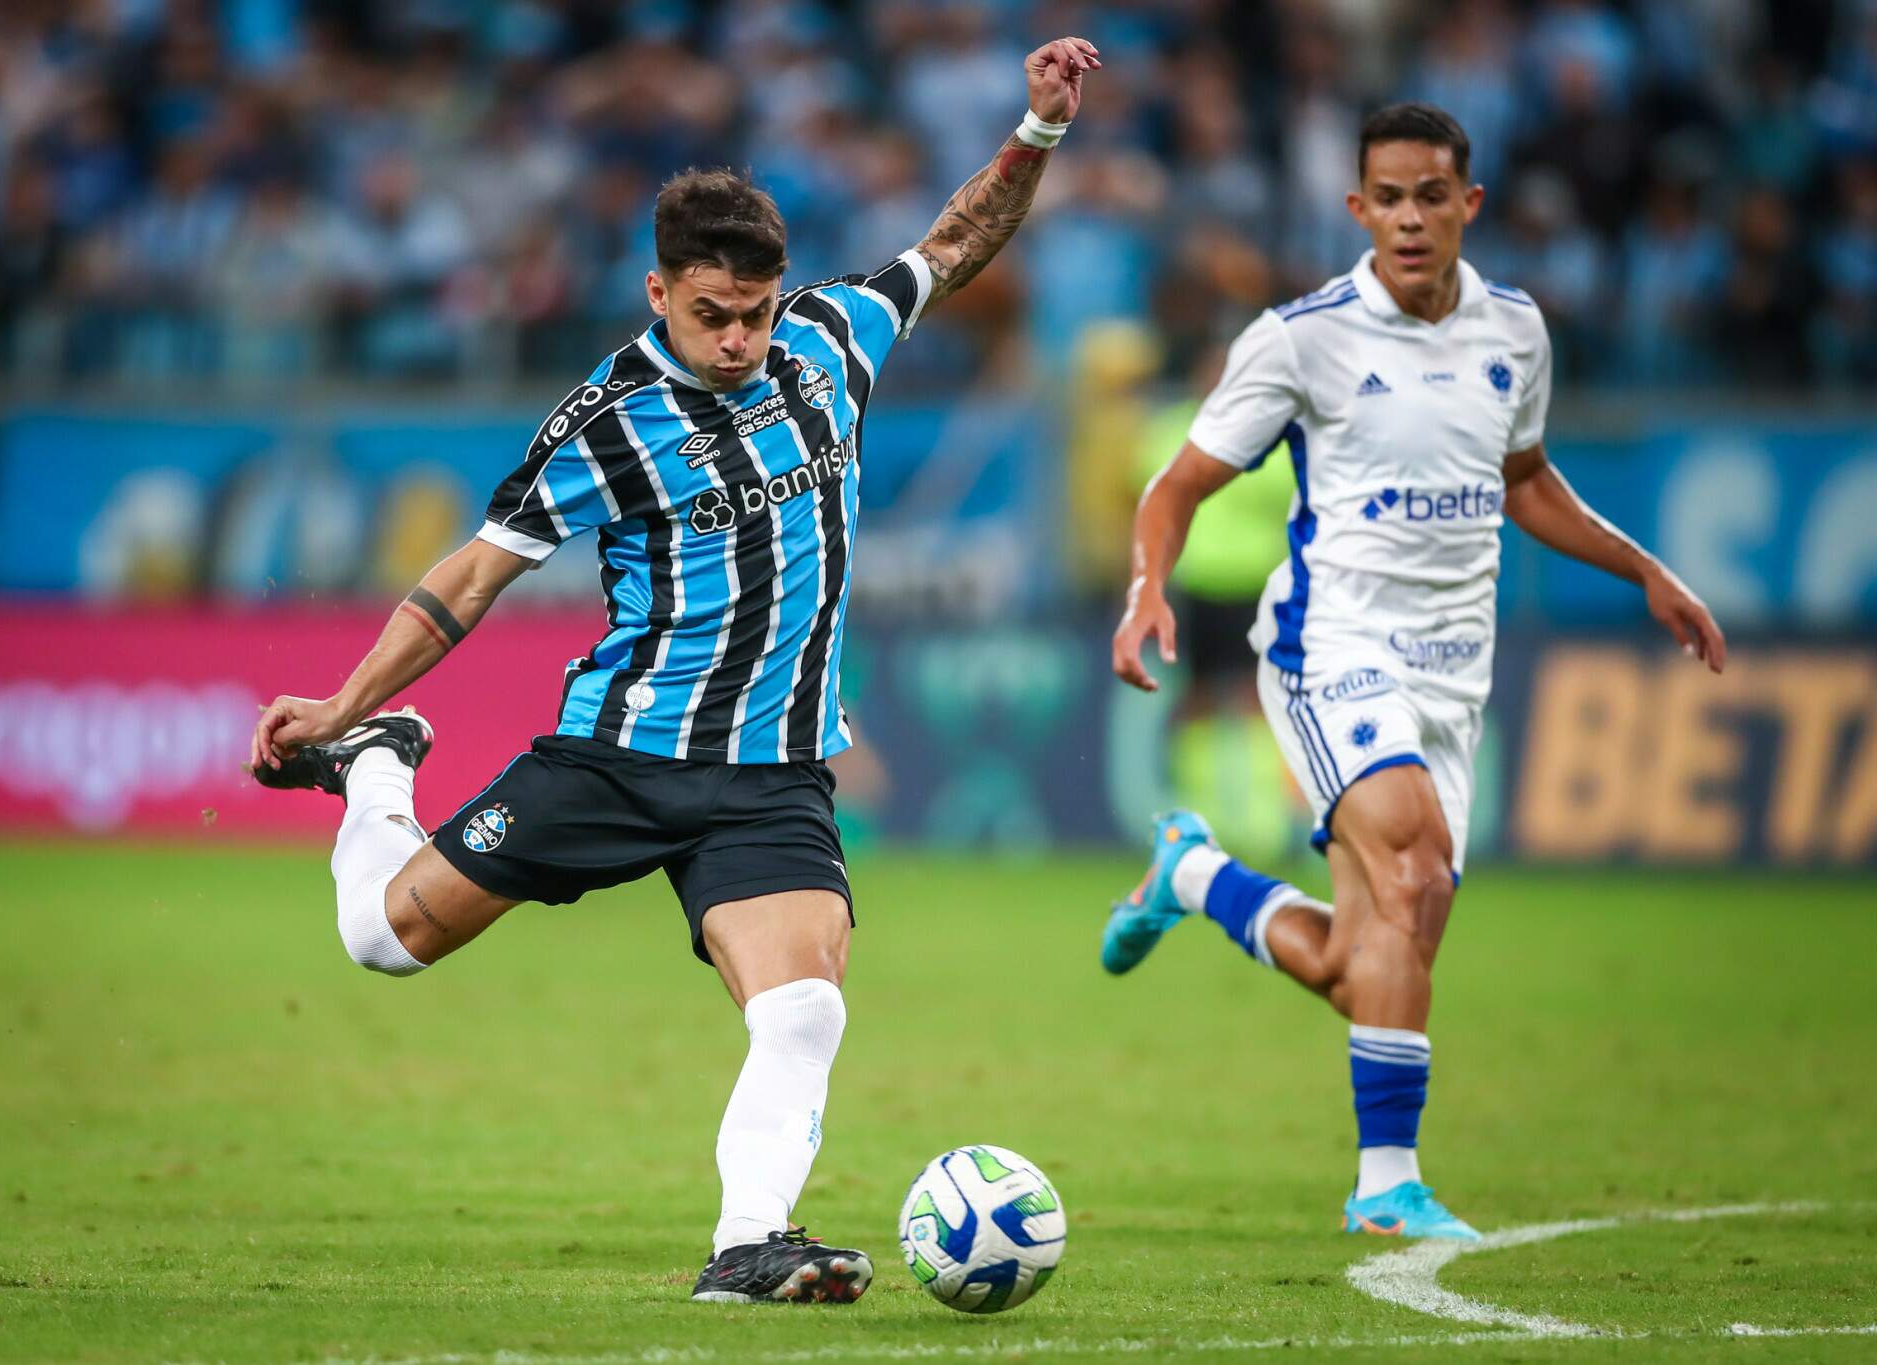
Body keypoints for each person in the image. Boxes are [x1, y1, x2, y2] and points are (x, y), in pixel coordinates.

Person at [246, 36, 1101, 1304]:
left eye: (756, 312)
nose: (739, 339)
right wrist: (344, 706)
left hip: (771, 776)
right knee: (382, 940)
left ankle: (749, 1247)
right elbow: (469, 580)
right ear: (658, 294)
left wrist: (1033, 132)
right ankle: (378, 771)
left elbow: (956, 240)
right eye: (711, 315)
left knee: (803, 1011)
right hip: (621, 755)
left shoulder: (832, 338)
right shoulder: (602, 423)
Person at [1100, 103, 1725, 1241]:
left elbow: (1523, 479)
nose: (1406, 217)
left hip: (1452, 674)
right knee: (1415, 863)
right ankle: (1384, 1186)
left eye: (1428, 195)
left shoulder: (1515, 331)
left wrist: (1645, 569)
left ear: (1464, 205)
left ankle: (1192, 879)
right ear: (1356, 209)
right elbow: (1176, 485)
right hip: (1328, 646)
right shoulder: (1300, 337)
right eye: (1384, 197)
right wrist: (1147, 586)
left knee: (1363, 959)